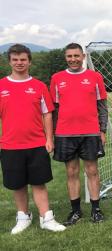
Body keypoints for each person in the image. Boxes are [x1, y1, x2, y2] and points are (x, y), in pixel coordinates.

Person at [0, 44, 66, 234]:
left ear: (29, 61)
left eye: (23, 59)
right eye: (15, 59)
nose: (19, 63)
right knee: (17, 184)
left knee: (39, 182)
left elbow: (47, 115)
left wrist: (49, 139)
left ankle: (47, 217)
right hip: (10, 145)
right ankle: (23, 217)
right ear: (10, 61)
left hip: (37, 143)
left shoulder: (38, 86)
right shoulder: (1, 85)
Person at [50, 43, 108, 225]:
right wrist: (52, 134)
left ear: (83, 56)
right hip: (66, 133)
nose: (73, 59)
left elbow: (102, 106)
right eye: (69, 56)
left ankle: (96, 210)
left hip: (90, 133)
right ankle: (75, 211)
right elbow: (54, 110)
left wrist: (103, 130)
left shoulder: (95, 77)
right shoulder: (57, 78)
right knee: (71, 171)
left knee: (92, 170)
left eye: (76, 56)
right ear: (65, 57)